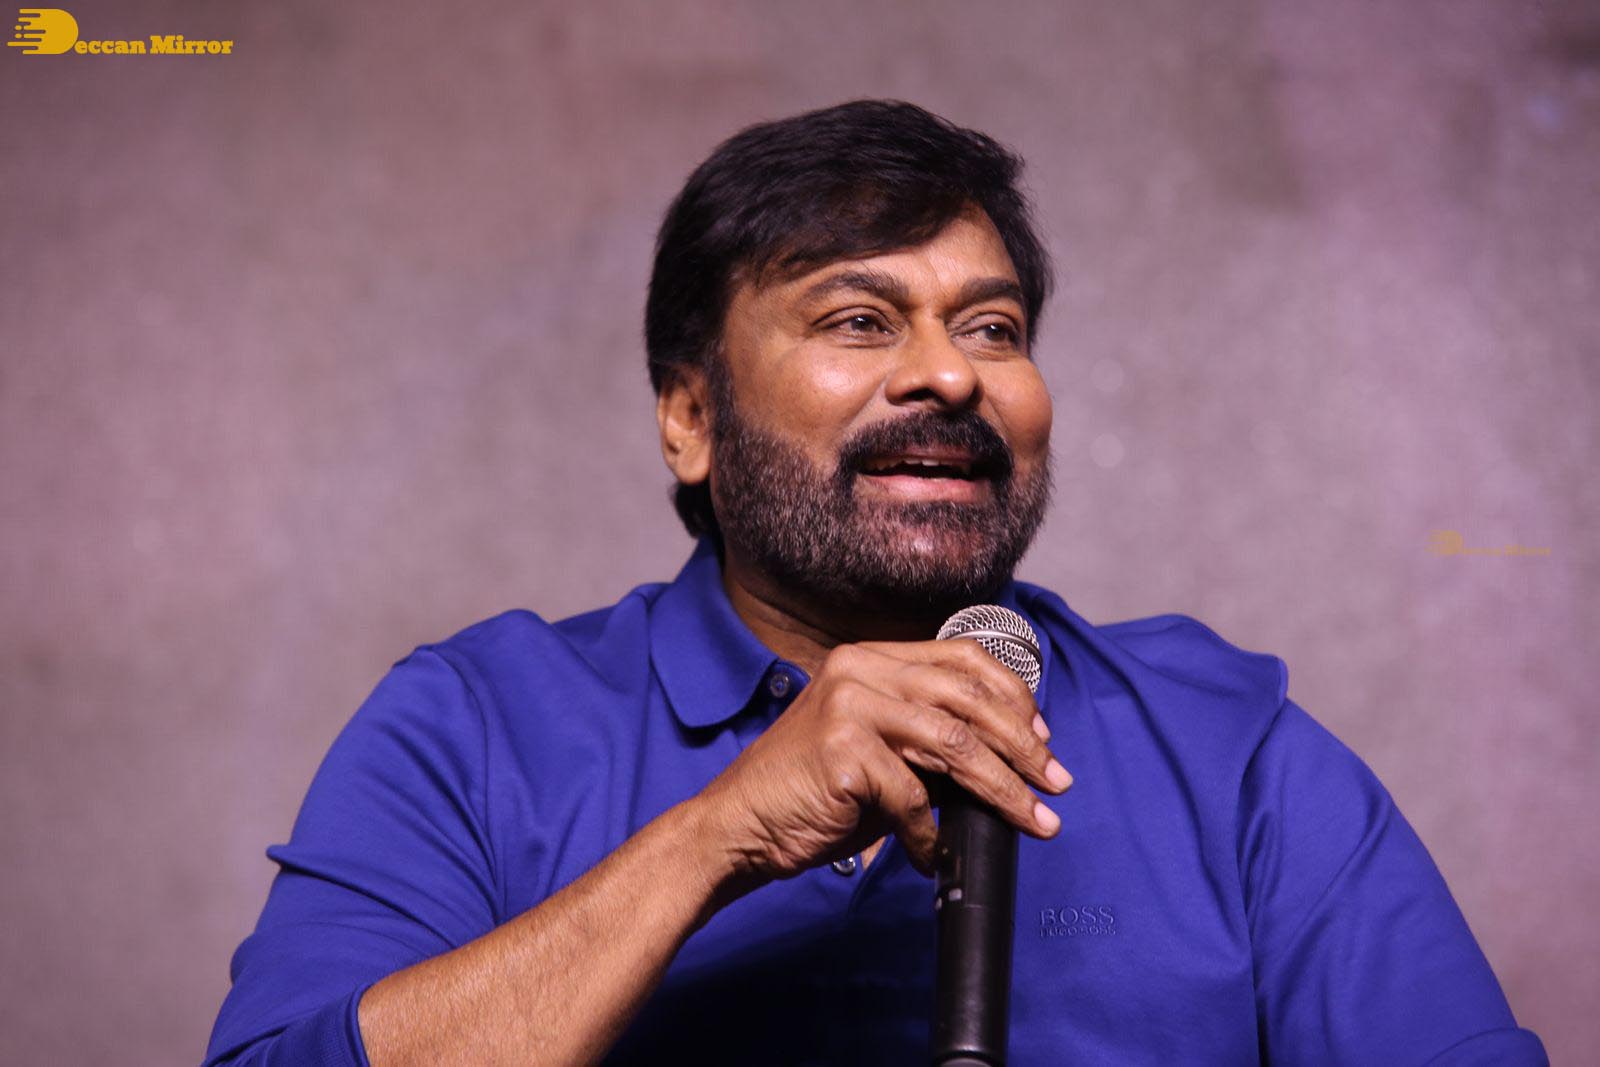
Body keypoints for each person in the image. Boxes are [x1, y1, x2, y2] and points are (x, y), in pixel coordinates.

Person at [204, 100, 1546, 1066]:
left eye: (993, 327)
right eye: (859, 319)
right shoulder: (475, 727)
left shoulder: (1229, 751)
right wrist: (723, 832)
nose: (950, 374)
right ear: (690, 417)